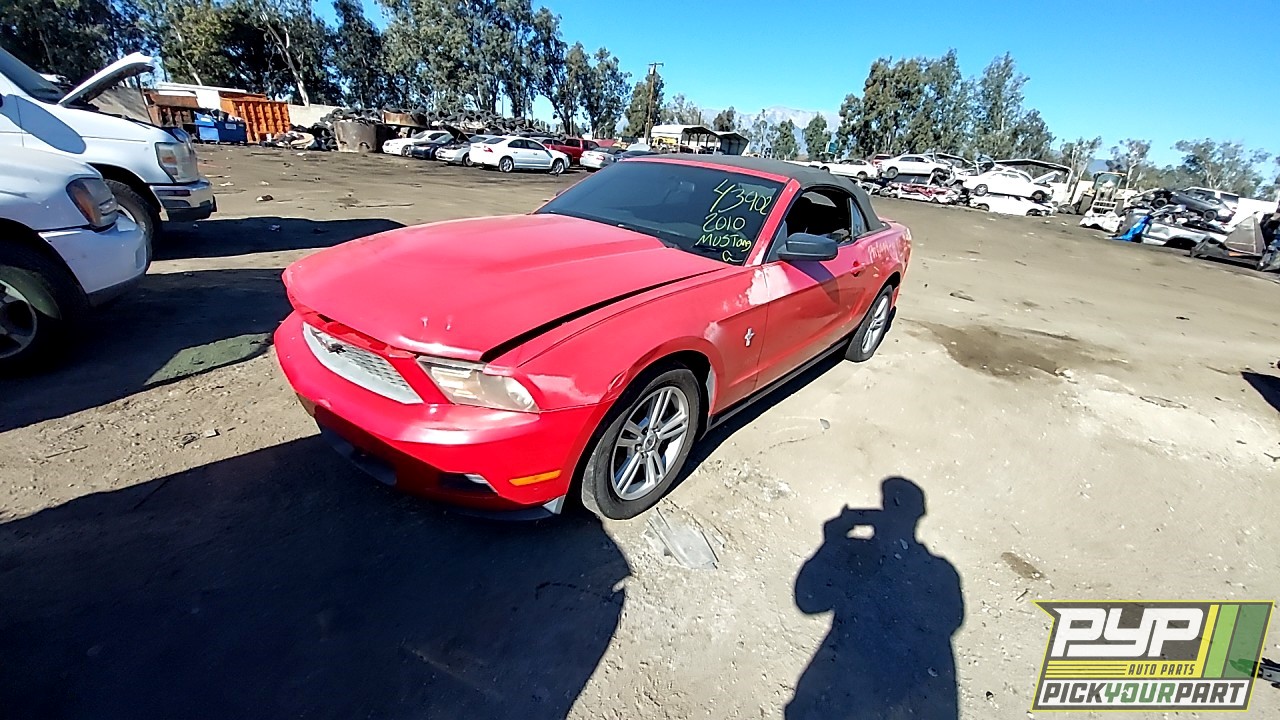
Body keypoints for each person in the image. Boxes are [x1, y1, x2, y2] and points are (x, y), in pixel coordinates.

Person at [788, 477, 964, 720]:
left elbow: (808, 601)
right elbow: (807, 601)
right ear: (920, 514)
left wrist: (833, 541)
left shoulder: (936, 570)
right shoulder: (940, 571)